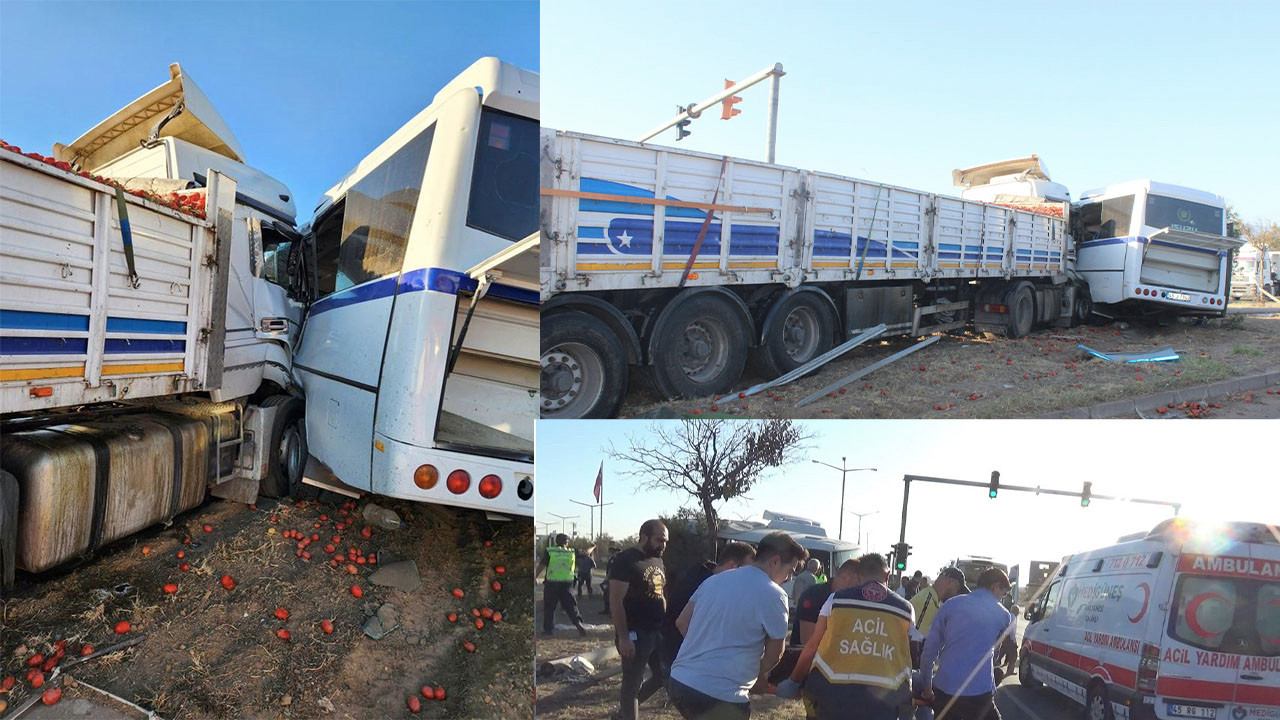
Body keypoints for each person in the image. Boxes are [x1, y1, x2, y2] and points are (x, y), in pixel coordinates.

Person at [669, 532, 809, 720]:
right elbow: (775, 654)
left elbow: (682, 621)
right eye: (790, 571)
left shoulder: (714, 580)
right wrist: (756, 673)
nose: (789, 579)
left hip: (680, 681)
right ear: (775, 562)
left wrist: (707, 649)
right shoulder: (774, 594)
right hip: (721, 694)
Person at [777, 552, 914, 720]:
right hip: (881, 703)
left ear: (858, 575)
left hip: (832, 696)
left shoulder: (836, 599)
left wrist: (794, 680)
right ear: (887, 575)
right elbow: (905, 656)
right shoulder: (905, 609)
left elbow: (813, 645)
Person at [918, 568, 1017, 720]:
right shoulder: (1003, 615)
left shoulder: (950, 606)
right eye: (1002, 594)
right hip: (979, 691)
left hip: (945, 688)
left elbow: (929, 652)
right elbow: (995, 655)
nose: (1001, 599)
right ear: (995, 587)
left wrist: (927, 688)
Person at [610, 520, 669, 720]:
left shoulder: (657, 560)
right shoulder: (625, 560)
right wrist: (624, 637)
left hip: (656, 632)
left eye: (665, 541)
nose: (663, 545)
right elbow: (616, 600)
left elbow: (660, 594)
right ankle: (627, 714)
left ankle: (623, 714)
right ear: (644, 536)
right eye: (659, 540)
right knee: (632, 684)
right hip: (635, 633)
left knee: (661, 677)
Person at [663, 542, 756, 667]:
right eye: (746, 571)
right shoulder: (703, 583)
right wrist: (704, 652)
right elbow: (682, 622)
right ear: (732, 566)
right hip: (681, 656)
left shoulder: (704, 573)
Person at [795, 558, 862, 646]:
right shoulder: (813, 596)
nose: (859, 589)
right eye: (857, 584)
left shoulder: (849, 599)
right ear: (845, 577)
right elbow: (808, 641)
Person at [536, 534, 587, 638]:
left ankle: (548, 631)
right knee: (571, 606)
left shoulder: (550, 551)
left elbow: (542, 565)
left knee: (549, 608)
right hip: (567, 584)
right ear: (566, 542)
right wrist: (593, 547)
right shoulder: (572, 551)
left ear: (556, 542)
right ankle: (578, 624)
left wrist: (535, 576)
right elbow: (586, 553)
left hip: (551, 583)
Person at [601, 546, 621, 615]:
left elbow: (611, 570)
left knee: (611, 596)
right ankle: (607, 610)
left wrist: (607, 578)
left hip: (613, 579)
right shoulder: (613, 559)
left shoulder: (616, 559)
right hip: (611, 579)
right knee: (607, 595)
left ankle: (611, 611)